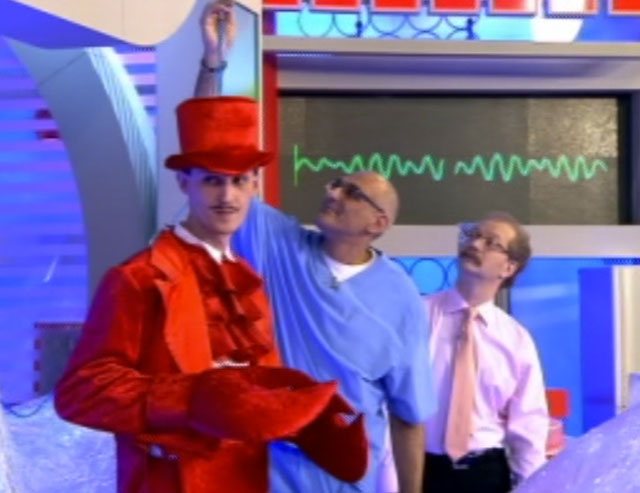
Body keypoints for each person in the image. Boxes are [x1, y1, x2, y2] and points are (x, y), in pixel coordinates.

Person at [54, 96, 368, 493]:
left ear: (255, 184)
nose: (227, 197)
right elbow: (80, 392)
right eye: (212, 180)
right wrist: (191, 399)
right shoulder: (138, 278)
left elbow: (248, 403)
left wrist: (302, 419)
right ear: (184, 182)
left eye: (239, 180)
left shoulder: (248, 282)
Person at [195, 6, 437, 492]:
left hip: (347, 479)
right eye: (336, 182)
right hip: (268, 474)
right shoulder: (279, 244)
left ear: (378, 224)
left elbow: (409, 416)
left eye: (352, 193)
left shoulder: (400, 297)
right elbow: (211, 152)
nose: (333, 192)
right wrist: (214, 63)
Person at [423, 212, 549, 493]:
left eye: (491, 242)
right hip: (421, 467)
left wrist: (532, 486)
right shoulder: (419, 316)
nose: (475, 244)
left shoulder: (516, 339)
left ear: (509, 267)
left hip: (486, 474)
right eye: (473, 235)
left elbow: (528, 424)